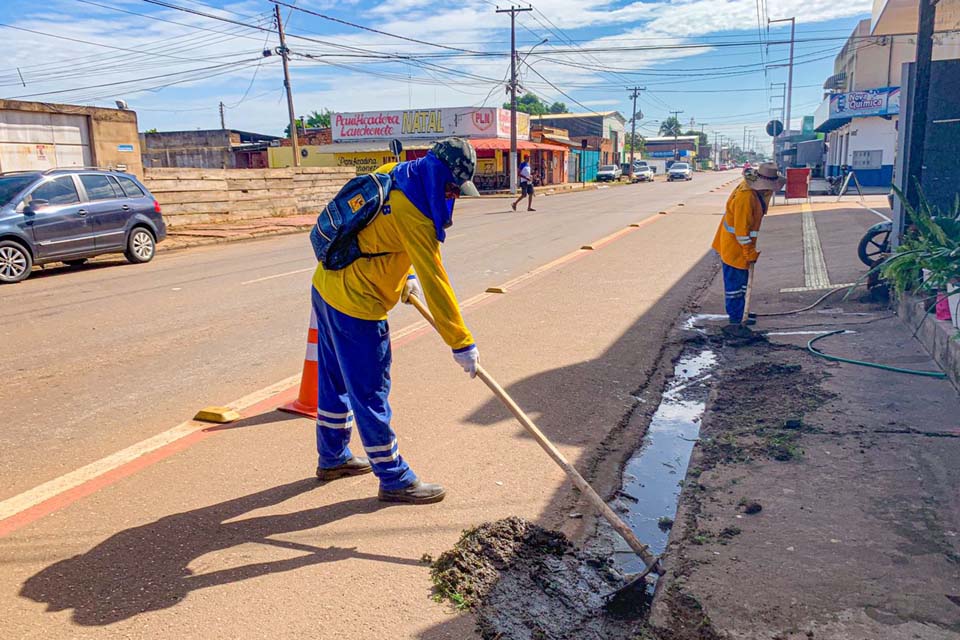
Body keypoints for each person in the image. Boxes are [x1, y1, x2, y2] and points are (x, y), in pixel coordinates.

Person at [310, 137, 481, 504]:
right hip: (356, 304)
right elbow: (437, 280)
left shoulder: (399, 173)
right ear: (440, 176)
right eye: (452, 187)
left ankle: (333, 456)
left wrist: (404, 279)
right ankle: (393, 477)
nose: (454, 195)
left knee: (334, 379)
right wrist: (461, 342)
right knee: (370, 391)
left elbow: (380, 237)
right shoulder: (414, 210)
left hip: (326, 286)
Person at [711, 162, 785, 333]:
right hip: (735, 247)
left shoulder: (755, 191)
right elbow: (742, 231)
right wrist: (749, 252)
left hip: (741, 246)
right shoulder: (746, 197)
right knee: (735, 286)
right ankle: (736, 319)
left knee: (743, 284)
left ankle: (742, 311)